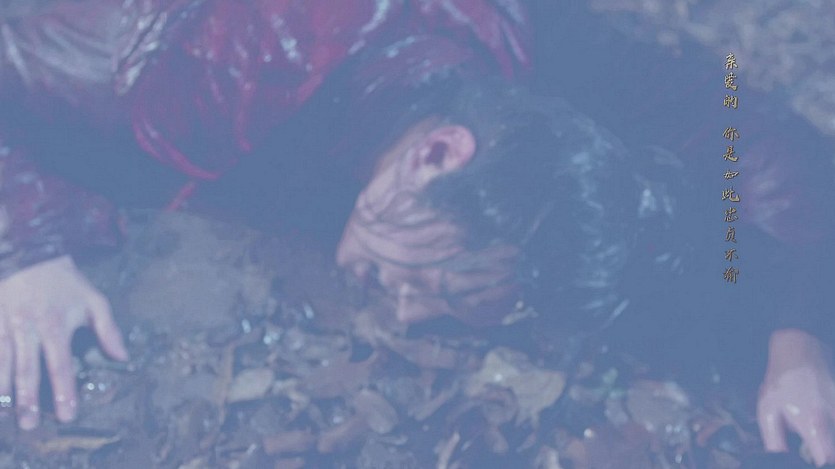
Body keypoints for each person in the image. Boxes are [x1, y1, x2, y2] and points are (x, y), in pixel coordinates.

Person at [1, 2, 835, 467]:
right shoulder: (211, 70)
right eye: (435, 279)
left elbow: (738, 105)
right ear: (434, 155)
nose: (404, 313)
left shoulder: (514, 47)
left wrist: (793, 340)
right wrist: (26, 238)